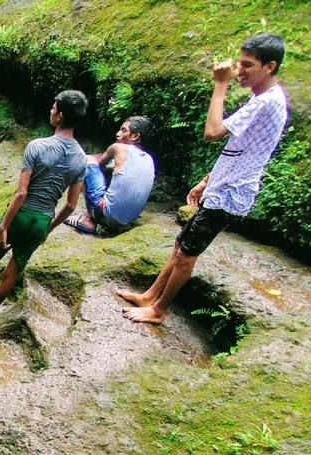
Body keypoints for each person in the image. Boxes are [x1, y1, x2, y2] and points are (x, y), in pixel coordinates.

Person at [119, 33, 288, 324]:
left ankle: (159, 311)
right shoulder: (264, 99)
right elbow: (242, 152)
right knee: (180, 245)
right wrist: (207, 181)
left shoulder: (266, 103)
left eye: (247, 65)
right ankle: (149, 296)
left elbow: (212, 132)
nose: (239, 71)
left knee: (186, 255)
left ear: (270, 66)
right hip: (223, 187)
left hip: (229, 195)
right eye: (239, 64)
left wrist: (220, 84)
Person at [0, 90, 88, 328]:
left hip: (20, 214)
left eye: (53, 108)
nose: (51, 110)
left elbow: (21, 193)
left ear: (60, 116)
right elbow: (71, 205)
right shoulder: (82, 159)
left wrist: (4, 225)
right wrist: (47, 230)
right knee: (12, 272)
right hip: (42, 220)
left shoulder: (37, 146)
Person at [64, 116, 156, 234]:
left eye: (123, 130)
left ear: (135, 136)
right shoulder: (149, 159)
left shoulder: (118, 148)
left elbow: (99, 165)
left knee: (88, 160)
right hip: (127, 221)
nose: (117, 134)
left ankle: (89, 219)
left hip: (105, 215)